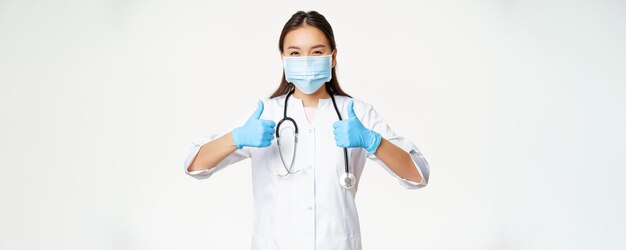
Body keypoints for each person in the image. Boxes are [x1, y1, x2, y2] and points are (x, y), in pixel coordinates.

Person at [183, 10, 430, 250]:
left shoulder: (358, 114)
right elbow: (194, 165)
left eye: (317, 51)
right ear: (283, 58)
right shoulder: (264, 113)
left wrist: (373, 141)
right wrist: (236, 139)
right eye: (295, 53)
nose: (306, 61)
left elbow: (418, 175)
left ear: (333, 57)